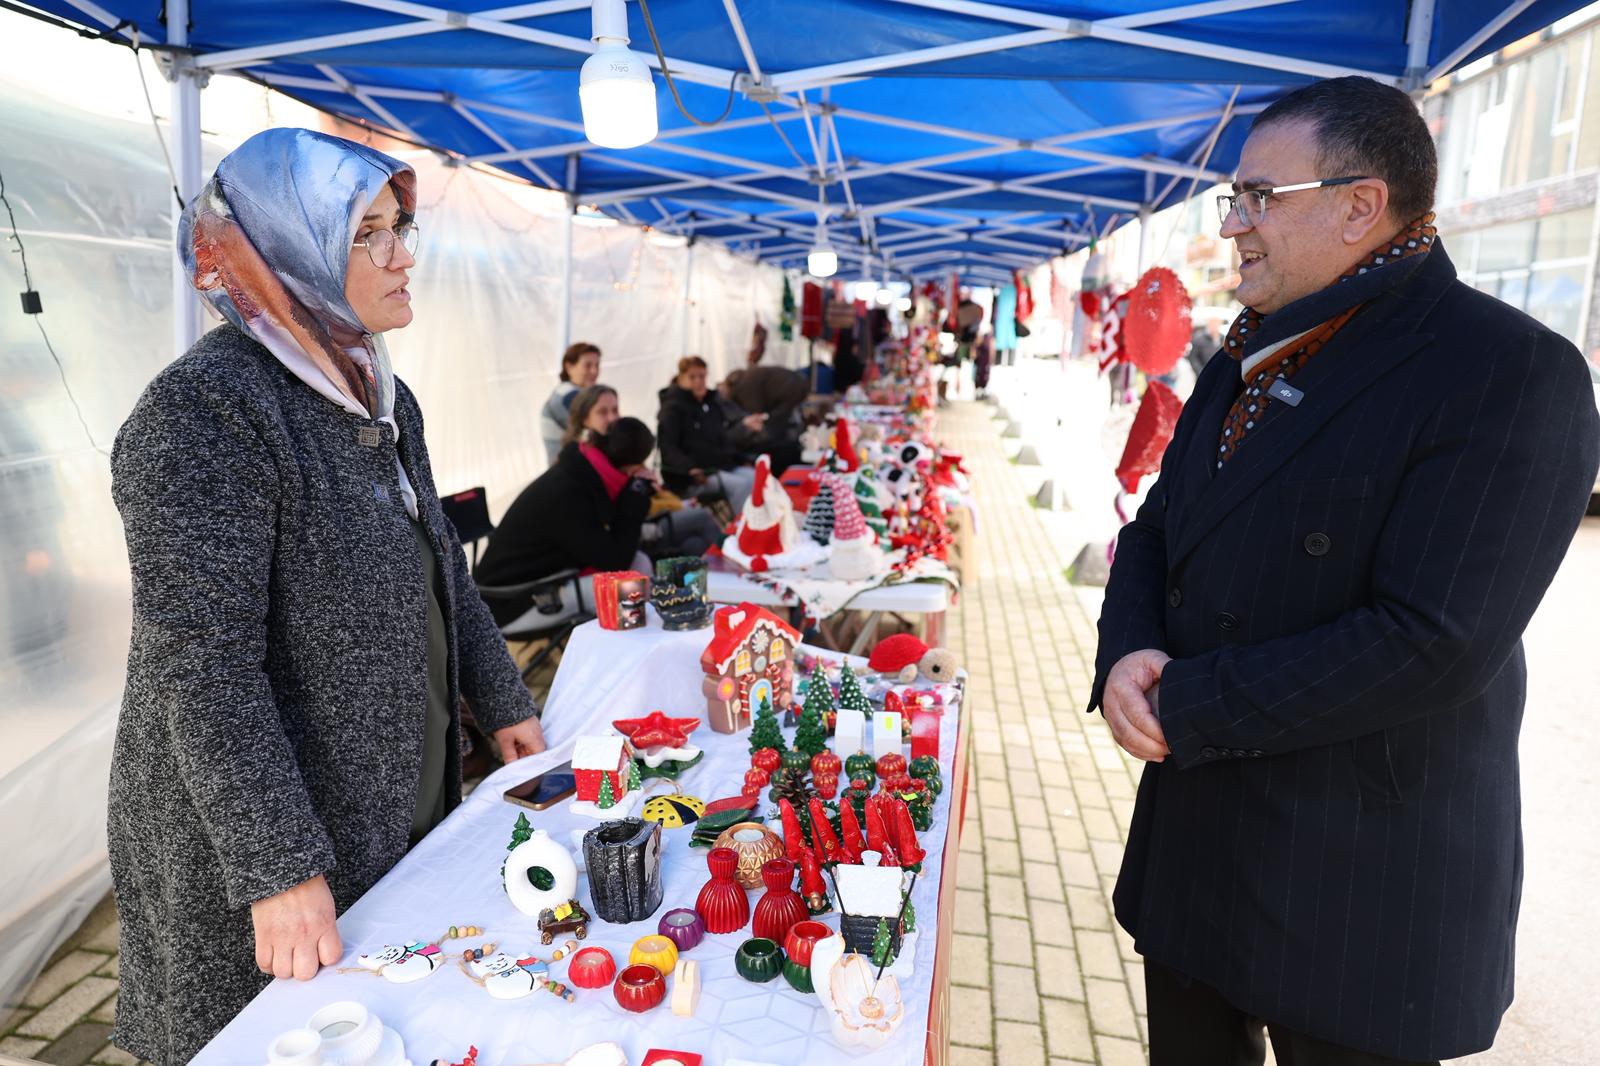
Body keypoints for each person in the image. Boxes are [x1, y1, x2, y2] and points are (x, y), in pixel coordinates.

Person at [1090, 77, 1600, 1066]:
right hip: (1202, 852)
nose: (1232, 224)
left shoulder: (1507, 371)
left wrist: (1185, 702)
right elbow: (1157, 528)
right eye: (1230, 199)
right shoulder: (1251, 347)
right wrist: (1128, 652)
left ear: (1360, 204)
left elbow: (1431, 641)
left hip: (1360, 889)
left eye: (1254, 198)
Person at [107, 129, 546, 1065]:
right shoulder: (203, 414)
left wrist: (502, 700)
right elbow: (203, 668)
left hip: (387, 788)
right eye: (368, 234)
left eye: (401, 227)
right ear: (286, 252)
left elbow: (442, 566)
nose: (402, 255)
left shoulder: (380, 392)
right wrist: (277, 866)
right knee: (274, 1036)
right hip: (264, 834)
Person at [475, 415, 658, 622]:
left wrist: (632, 494)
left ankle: (639, 638)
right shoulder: (569, 492)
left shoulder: (584, 471)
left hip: (547, 580)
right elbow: (615, 560)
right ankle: (634, 646)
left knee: (639, 563)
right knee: (628, 588)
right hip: (511, 602)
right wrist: (635, 497)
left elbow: (610, 546)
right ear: (630, 468)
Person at [561, 384, 725, 559]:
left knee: (694, 545)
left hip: (646, 520)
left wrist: (670, 501)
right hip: (629, 534)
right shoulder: (588, 458)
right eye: (602, 412)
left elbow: (647, 493)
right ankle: (734, 573)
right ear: (585, 419)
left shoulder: (618, 443)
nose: (612, 418)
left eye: (615, 410)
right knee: (702, 518)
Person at [657, 355, 761, 511]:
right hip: (694, 477)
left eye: (702, 376)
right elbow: (668, 447)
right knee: (742, 486)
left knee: (756, 477)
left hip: (720, 465)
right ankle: (738, 530)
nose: (699, 381)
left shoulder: (710, 404)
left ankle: (755, 527)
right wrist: (688, 468)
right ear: (681, 378)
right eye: (692, 377)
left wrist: (740, 459)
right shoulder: (672, 409)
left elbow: (722, 439)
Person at [540, 341, 601, 463]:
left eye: (597, 365)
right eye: (588, 365)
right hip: (568, 474)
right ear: (569, 367)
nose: (594, 371)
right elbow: (599, 436)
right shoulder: (568, 397)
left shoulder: (569, 392)